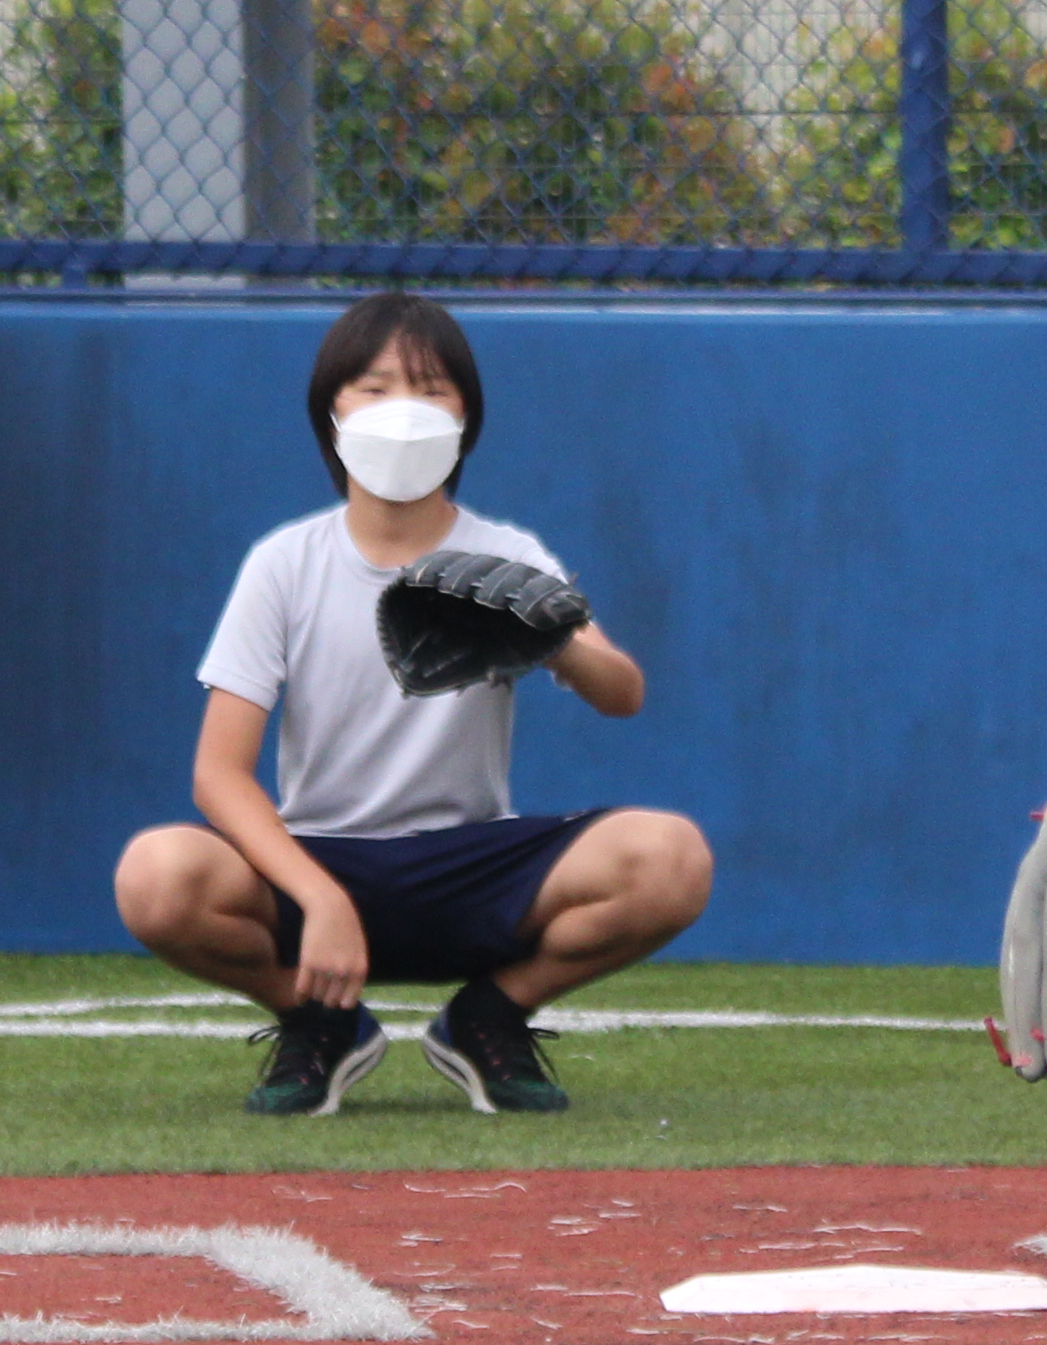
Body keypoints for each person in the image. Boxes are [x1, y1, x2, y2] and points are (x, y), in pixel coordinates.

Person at [112, 293, 713, 1117]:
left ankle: (490, 1015)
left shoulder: (507, 554)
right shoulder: (285, 563)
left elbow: (624, 694)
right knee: (155, 875)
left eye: (431, 387)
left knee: (671, 856)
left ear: (467, 415)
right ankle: (318, 1019)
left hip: (472, 863)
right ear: (331, 410)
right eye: (374, 386)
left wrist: (552, 637)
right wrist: (318, 897)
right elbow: (218, 776)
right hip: (319, 860)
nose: (403, 410)